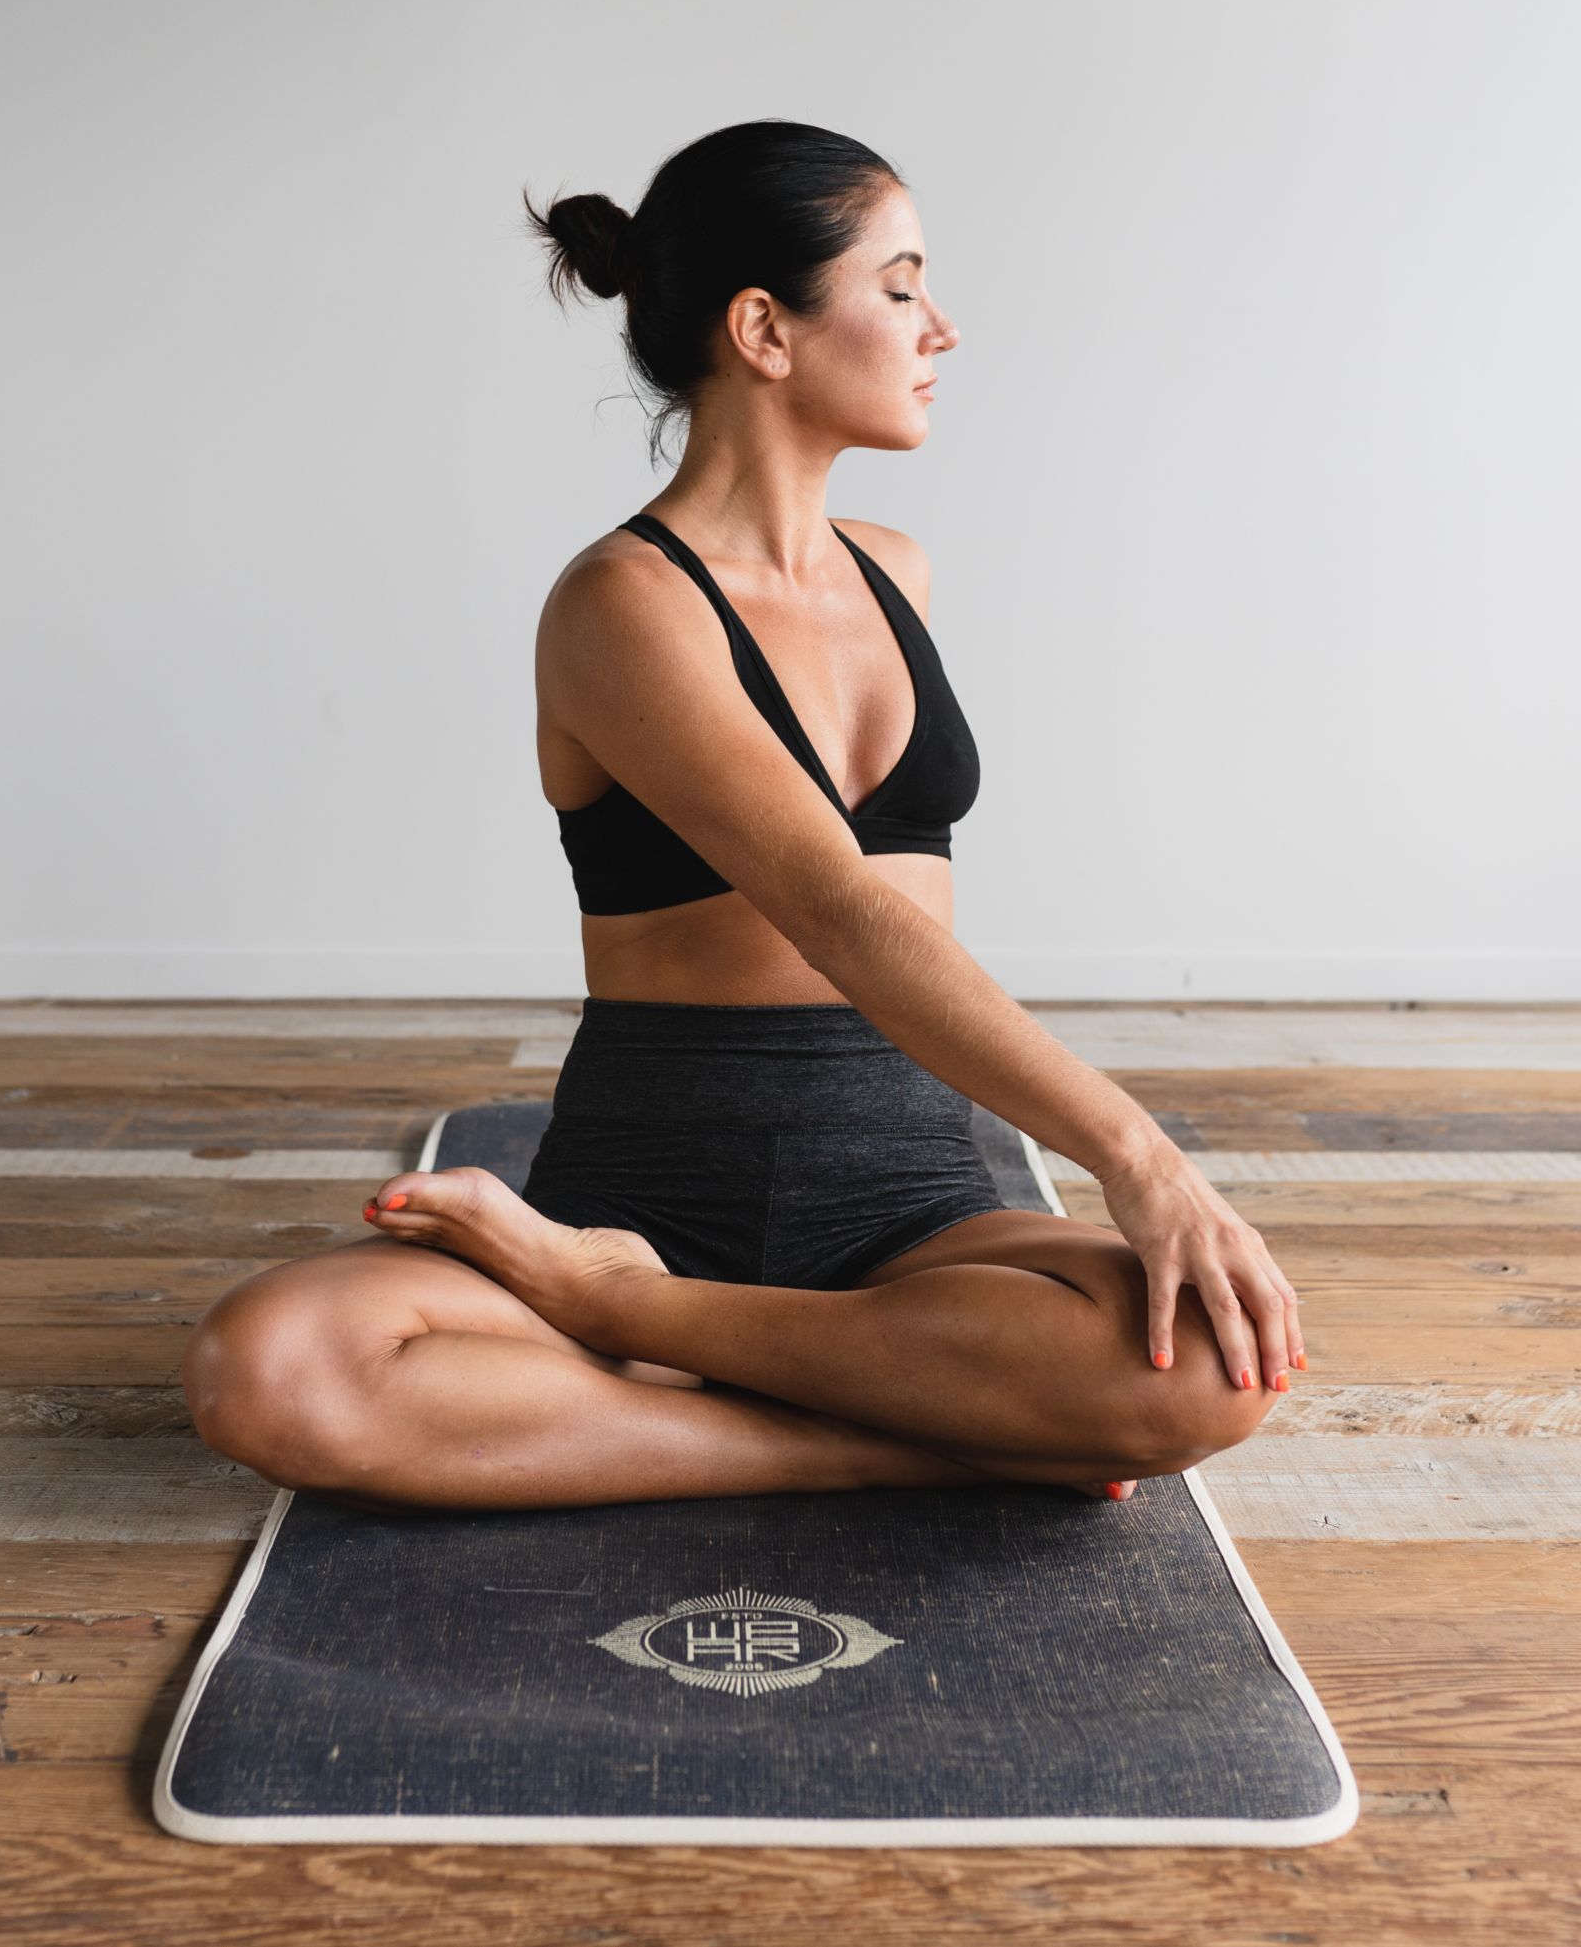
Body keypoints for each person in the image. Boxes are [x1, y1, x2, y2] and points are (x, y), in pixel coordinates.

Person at [182, 119, 1303, 1515]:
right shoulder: (621, 604)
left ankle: (652, 1336)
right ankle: (873, 1422)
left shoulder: (899, 574)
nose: (940, 326)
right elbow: (840, 909)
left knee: (1214, 1363)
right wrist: (1141, 1156)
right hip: (649, 1187)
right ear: (765, 328)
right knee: (271, 1367)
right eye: (899, 287)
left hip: (906, 1199)